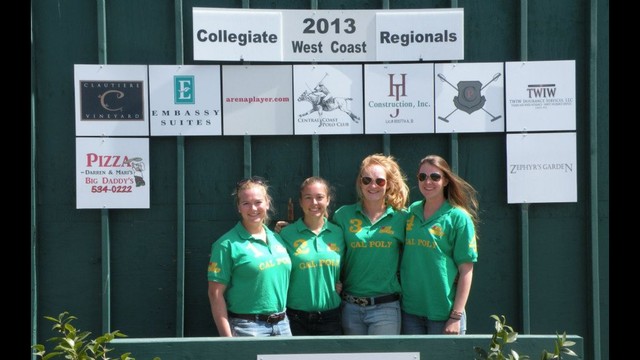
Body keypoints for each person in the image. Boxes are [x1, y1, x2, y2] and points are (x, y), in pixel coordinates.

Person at [400, 155, 479, 335]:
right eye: (422, 177)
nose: (428, 181)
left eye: (435, 177)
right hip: (411, 312)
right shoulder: (412, 211)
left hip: (444, 313)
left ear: (445, 180)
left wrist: (456, 316)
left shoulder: (458, 217)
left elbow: (466, 269)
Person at [332, 153, 410, 335]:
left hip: (386, 307)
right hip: (350, 306)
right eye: (367, 180)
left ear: (389, 184)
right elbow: (326, 244)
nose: (372, 186)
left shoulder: (402, 217)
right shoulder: (343, 215)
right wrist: (287, 230)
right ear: (360, 183)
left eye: (380, 181)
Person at [207, 176, 292, 337]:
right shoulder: (226, 245)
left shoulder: (278, 238)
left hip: (283, 325)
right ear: (239, 207)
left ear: (267, 203)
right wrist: (227, 339)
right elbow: (215, 294)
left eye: (258, 202)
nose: (253, 208)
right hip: (248, 328)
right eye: (246, 203)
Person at [278, 176, 345, 335]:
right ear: (300, 202)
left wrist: (339, 282)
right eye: (308, 198)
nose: (314, 203)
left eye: (319, 197)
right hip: (296, 318)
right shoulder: (286, 234)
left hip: (330, 316)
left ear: (328, 200)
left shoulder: (338, 233)